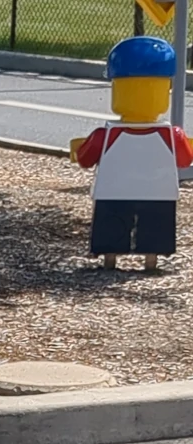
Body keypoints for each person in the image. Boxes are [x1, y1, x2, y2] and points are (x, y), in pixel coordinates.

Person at [70, 35, 193, 271]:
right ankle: (150, 258)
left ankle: (110, 256)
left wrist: (79, 150)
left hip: (113, 190)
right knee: (156, 224)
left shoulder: (105, 135)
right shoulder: (172, 135)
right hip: (159, 191)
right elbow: (185, 159)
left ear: (116, 86)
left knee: (112, 221)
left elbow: (86, 159)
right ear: (165, 87)